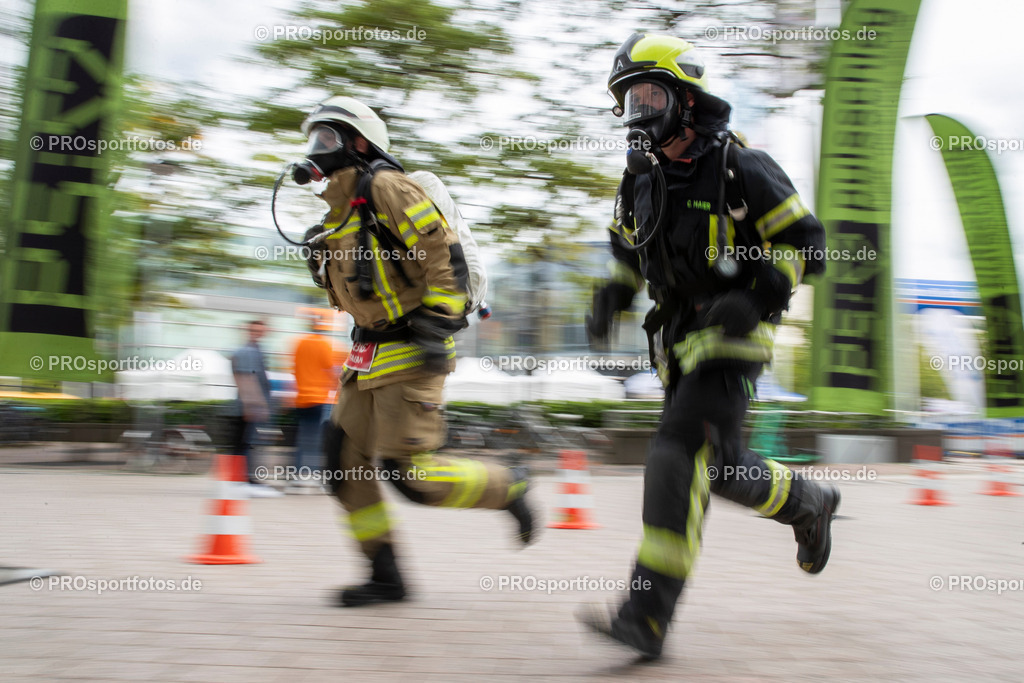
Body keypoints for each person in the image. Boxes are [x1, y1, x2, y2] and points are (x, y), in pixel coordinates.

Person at [578, 33, 840, 659]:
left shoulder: (739, 167)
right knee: (718, 469)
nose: (638, 113)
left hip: (735, 336)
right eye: (628, 100)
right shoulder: (639, 179)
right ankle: (807, 501)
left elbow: (808, 245)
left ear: (685, 98)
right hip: (676, 341)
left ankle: (646, 617)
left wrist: (757, 298)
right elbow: (626, 250)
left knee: (674, 454)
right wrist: (613, 293)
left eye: (649, 95)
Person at [296, 96, 536, 607]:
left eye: (327, 138)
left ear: (360, 144)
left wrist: (437, 324)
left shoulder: (385, 186)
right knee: (343, 464)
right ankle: (386, 576)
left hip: (410, 348)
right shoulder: (342, 212)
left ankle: (509, 486)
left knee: (412, 477)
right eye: (312, 139)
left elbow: (441, 254)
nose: (315, 150)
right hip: (364, 357)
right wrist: (322, 262)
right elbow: (358, 294)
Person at [230, 319, 283, 498]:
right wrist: (254, 404)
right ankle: (245, 480)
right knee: (246, 443)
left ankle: (242, 480)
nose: (258, 333)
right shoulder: (249, 351)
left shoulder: (253, 350)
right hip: (250, 406)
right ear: (249, 331)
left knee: (244, 443)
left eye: (261, 329)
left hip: (248, 405)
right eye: (255, 330)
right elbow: (247, 379)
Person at [288, 315, 339, 492]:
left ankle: (297, 477)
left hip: (301, 398)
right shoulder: (324, 344)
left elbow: (293, 369)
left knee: (303, 438)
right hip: (319, 398)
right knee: (317, 441)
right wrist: (336, 389)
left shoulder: (299, 343)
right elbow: (330, 369)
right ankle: (313, 477)